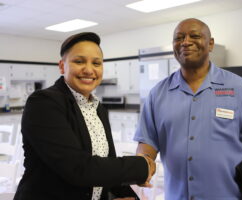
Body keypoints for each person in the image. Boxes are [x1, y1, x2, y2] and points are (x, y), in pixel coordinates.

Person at [134, 18, 242, 200]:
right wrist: (143, 165)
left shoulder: (240, 89)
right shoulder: (157, 94)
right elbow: (147, 143)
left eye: (194, 36)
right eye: (179, 38)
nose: (186, 42)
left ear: (210, 44)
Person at [14, 32, 155, 200]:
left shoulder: (98, 108)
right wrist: (141, 166)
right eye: (79, 61)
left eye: (96, 63)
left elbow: (105, 164)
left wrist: (128, 196)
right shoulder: (43, 103)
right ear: (62, 66)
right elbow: (78, 168)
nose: (89, 70)